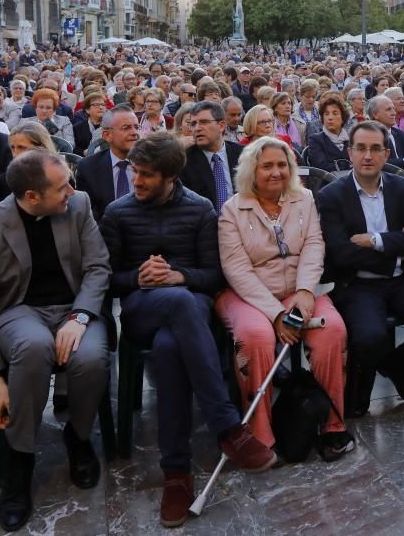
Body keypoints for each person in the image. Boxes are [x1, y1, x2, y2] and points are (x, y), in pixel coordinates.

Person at [99, 132, 277, 528]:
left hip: (190, 308)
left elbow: (214, 275)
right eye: (134, 172)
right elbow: (107, 279)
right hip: (142, 308)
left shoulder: (199, 210)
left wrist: (180, 274)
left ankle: (176, 474)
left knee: (170, 346)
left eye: (146, 175)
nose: (137, 181)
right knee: (176, 304)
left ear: (170, 177)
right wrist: (139, 277)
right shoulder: (117, 213)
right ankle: (228, 425)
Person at [0, 150, 112, 531]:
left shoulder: (78, 205)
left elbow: (97, 267)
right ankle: (19, 462)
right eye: (61, 188)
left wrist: (79, 316)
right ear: (31, 196)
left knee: (91, 357)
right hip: (19, 309)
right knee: (33, 347)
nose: (71, 192)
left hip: (75, 306)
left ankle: (78, 437)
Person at [216, 137, 352, 459]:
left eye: (283, 165)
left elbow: (314, 246)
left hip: (300, 289)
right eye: (267, 166)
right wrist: (277, 314)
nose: (277, 172)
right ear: (252, 170)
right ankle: (259, 434)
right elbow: (236, 270)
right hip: (249, 296)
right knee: (255, 337)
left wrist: (305, 292)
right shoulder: (232, 210)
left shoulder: (303, 198)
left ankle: (332, 425)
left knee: (332, 331)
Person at [316, 121, 404, 417]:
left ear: (386, 153)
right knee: (370, 337)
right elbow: (340, 254)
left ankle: (399, 370)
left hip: (402, 280)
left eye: (375, 149)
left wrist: (375, 241)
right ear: (350, 152)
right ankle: (358, 392)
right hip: (357, 285)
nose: (368, 156)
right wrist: (398, 248)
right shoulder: (332, 195)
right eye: (361, 148)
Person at [75, 104, 141, 223]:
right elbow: (88, 215)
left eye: (136, 127)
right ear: (107, 135)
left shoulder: (153, 163)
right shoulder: (88, 167)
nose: (134, 132)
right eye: (126, 128)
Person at [178, 101, 244, 214]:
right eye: (193, 124)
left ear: (221, 126)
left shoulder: (243, 155)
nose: (197, 128)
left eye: (204, 122)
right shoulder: (184, 161)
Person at [306, 95, 351, 172]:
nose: (330, 118)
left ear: (343, 118)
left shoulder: (351, 140)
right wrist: (348, 165)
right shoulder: (315, 139)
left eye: (335, 113)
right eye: (326, 114)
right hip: (327, 182)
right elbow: (321, 166)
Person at [366, 95, 404, 166]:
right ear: (375, 114)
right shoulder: (368, 137)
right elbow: (377, 163)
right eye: (388, 109)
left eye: (393, 109)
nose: (394, 113)